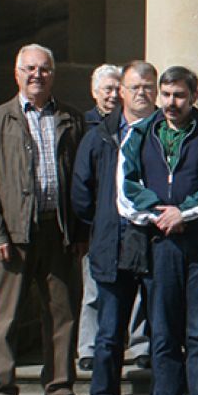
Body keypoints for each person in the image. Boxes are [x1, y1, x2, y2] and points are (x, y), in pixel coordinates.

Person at [0, 44, 90, 395]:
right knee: (6, 316)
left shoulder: (71, 118)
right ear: (17, 73)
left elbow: (81, 180)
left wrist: (79, 231)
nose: (36, 75)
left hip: (58, 230)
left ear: (53, 74)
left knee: (62, 313)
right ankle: (1, 391)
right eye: (29, 69)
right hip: (14, 234)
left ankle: (59, 388)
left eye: (43, 69)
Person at [119, 66, 198, 395]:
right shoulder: (139, 134)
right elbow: (126, 186)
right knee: (164, 330)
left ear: (194, 96)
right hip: (159, 243)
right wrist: (159, 214)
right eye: (165, 94)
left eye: (179, 95)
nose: (171, 102)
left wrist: (185, 212)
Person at [73, 61, 157, 395]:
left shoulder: (167, 133)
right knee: (109, 331)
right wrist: (105, 220)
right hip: (114, 242)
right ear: (121, 91)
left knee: (163, 330)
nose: (142, 93)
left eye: (148, 86)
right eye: (134, 86)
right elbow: (82, 191)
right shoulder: (100, 135)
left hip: (156, 243)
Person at [79, 63, 123, 365]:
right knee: (93, 290)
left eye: (118, 88)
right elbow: (80, 180)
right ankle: (88, 348)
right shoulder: (85, 127)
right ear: (95, 92)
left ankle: (139, 346)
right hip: (98, 222)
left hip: (128, 221)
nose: (113, 95)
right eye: (107, 89)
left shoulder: (133, 124)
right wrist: (89, 219)